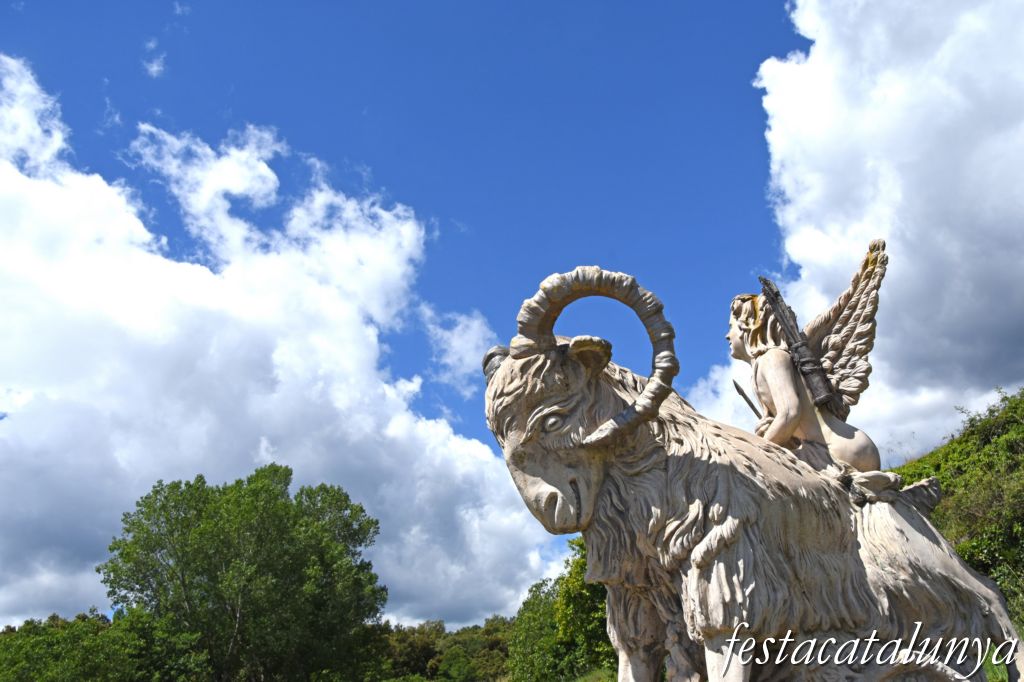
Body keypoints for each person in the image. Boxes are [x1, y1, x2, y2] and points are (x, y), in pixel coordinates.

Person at [727, 292, 882, 472]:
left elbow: (789, 413)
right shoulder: (770, 362)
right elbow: (796, 428)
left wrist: (759, 449)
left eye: (731, 327)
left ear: (748, 325)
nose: (727, 335)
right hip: (842, 445)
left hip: (835, 450)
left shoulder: (772, 358)